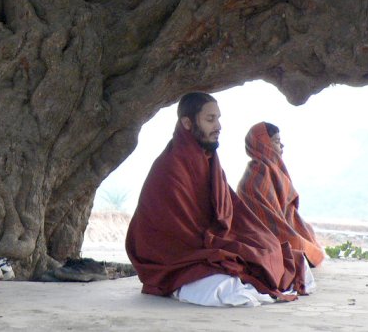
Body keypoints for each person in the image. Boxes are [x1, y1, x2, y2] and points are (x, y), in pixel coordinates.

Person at [125, 92, 310, 307]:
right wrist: (219, 247)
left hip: (208, 241)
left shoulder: (209, 159)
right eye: (210, 119)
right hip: (175, 255)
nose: (219, 125)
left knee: (273, 250)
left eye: (219, 118)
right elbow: (175, 230)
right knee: (226, 288)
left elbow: (230, 210)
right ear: (187, 123)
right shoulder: (171, 167)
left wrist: (245, 240)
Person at [237, 122, 325, 267]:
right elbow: (264, 221)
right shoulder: (254, 178)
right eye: (277, 142)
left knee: (307, 231)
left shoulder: (274, 172)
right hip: (261, 236)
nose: (282, 146)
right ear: (263, 144)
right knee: (295, 243)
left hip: (280, 228)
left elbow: (288, 211)